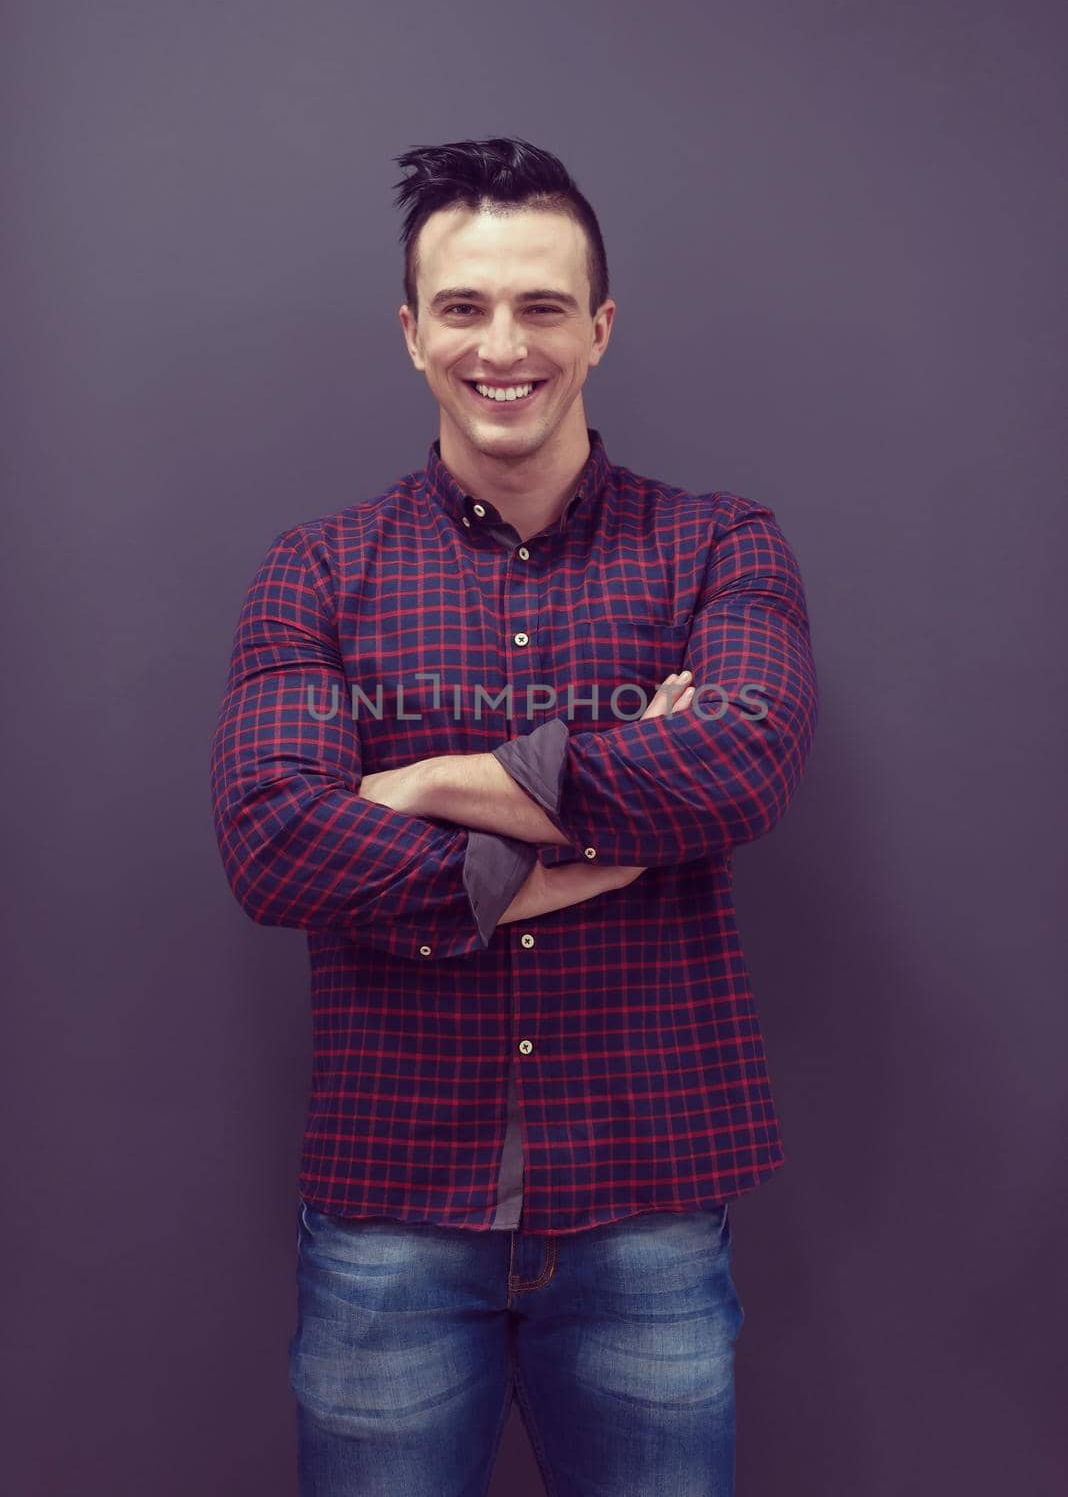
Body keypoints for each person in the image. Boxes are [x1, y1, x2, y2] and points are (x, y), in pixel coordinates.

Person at [209, 135, 819, 1497]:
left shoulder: (723, 545)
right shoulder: (318, 568)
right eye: (467, 307)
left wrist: (420, 785)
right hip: (389, 1214)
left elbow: (746, 762)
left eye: (543, 306)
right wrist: (587, 845)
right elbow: (269, 837)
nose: (506, 344)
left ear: (598, 329)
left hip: (649, 1202)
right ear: (412, 330)